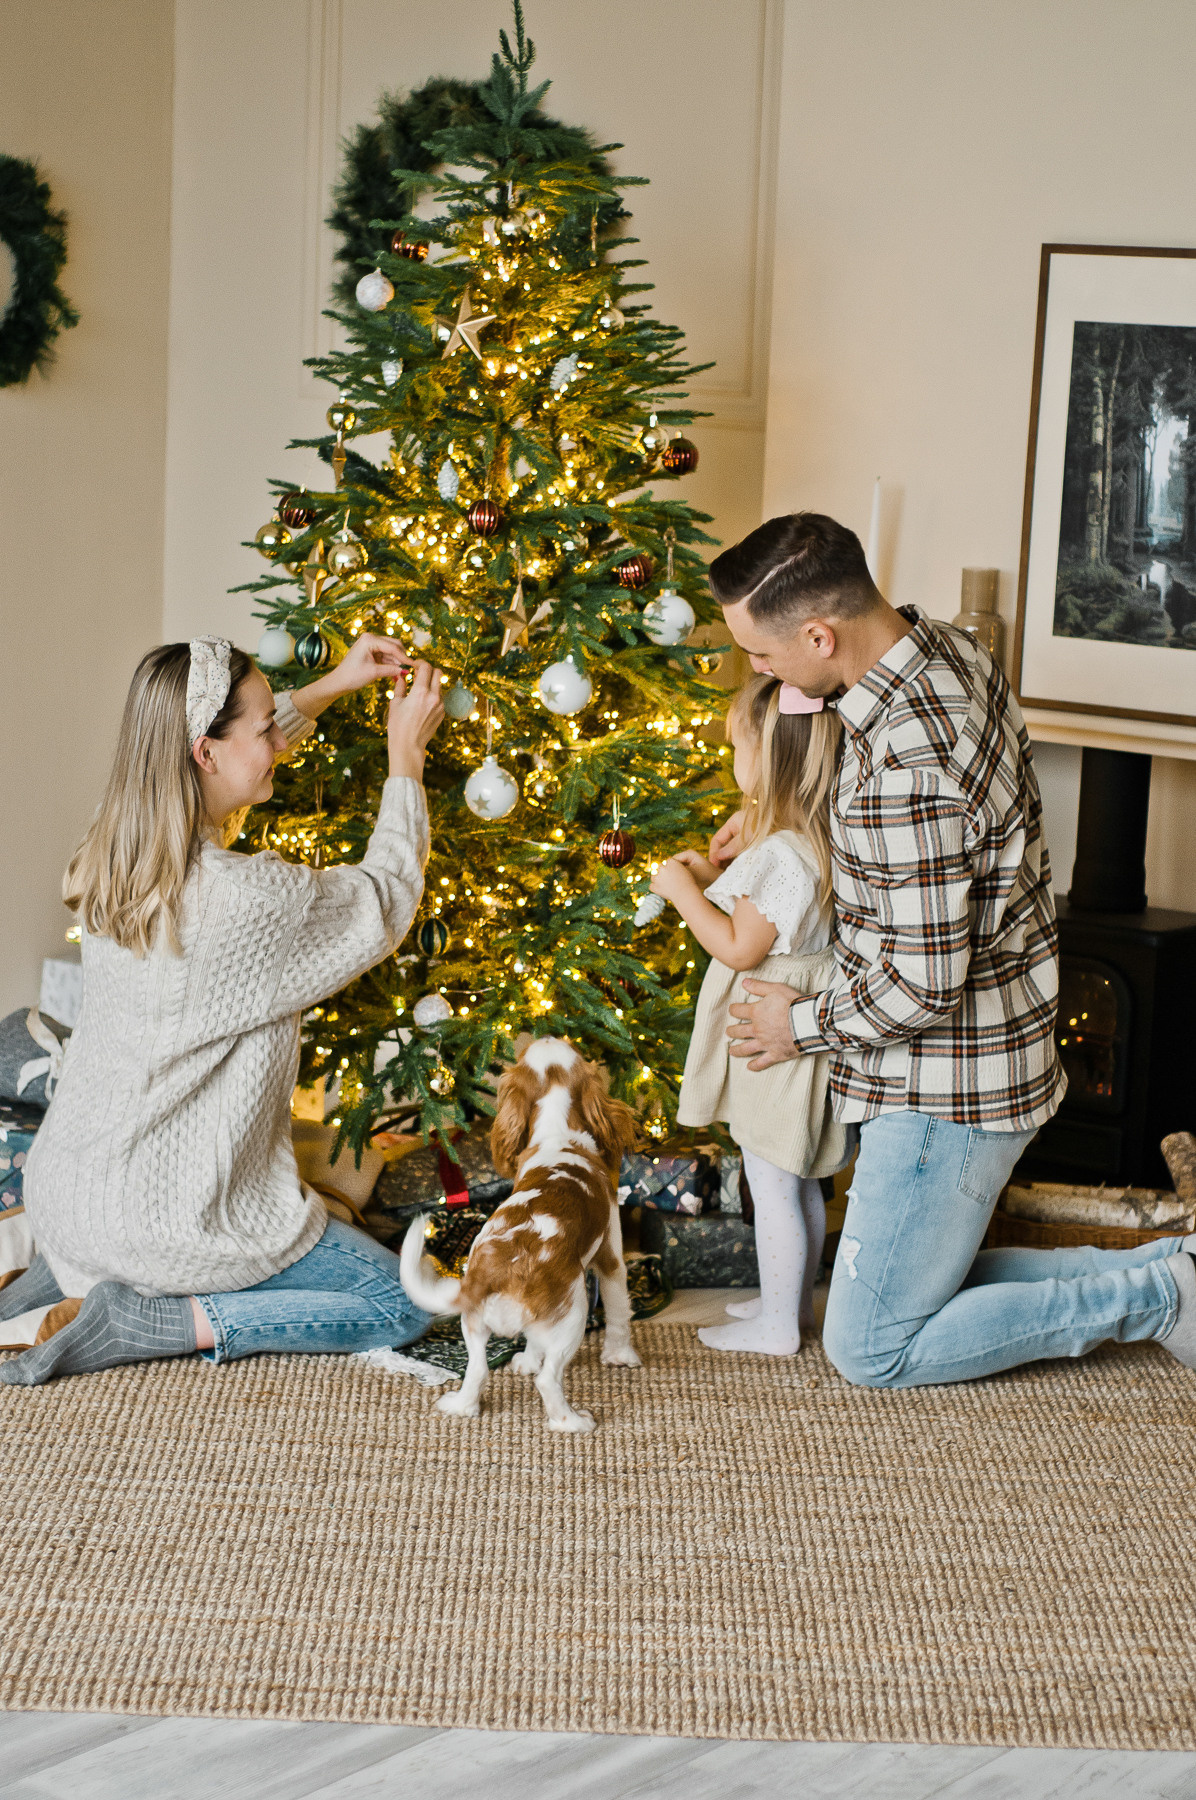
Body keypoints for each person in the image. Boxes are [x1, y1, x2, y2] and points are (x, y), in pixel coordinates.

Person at [707, 511, 1196, 1386]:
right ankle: (1175, 1275)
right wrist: (777, 822)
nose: (763, 672)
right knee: (903, 1291)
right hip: (990, 1050)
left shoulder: (909, 760)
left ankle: (1158, 1296)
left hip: (945, 1090)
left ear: (820, 633)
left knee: (873, 1348)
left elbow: (922, 987)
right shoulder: (945, 652)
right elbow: (920, 859)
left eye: (764, 654)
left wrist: (800, 1024)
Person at [0, 634, 444, 1386]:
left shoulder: (113, 847)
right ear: (204, 751)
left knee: (101, 1238)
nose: (278, 739)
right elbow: (386, 898)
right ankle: (159, 1316)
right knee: (403, 1299)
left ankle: (66, 1278)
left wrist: (330, 687)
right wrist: (407, 759)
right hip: (166, 1219)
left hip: (66, 1194)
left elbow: (221, 755)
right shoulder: (243, 900)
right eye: (266, 728)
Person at [650, 671, 848, 1355]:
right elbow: (763, 915)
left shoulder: (783, 856)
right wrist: (715, 879)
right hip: (793, 1020)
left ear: (768, 759)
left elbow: (740, 945)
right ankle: (785, 1303)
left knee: (771, 1177)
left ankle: (778, 1328)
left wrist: (682, 895)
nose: (732, 762)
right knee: (799, 1176)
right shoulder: (804, 841)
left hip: (772, 1029)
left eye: (738, 748)